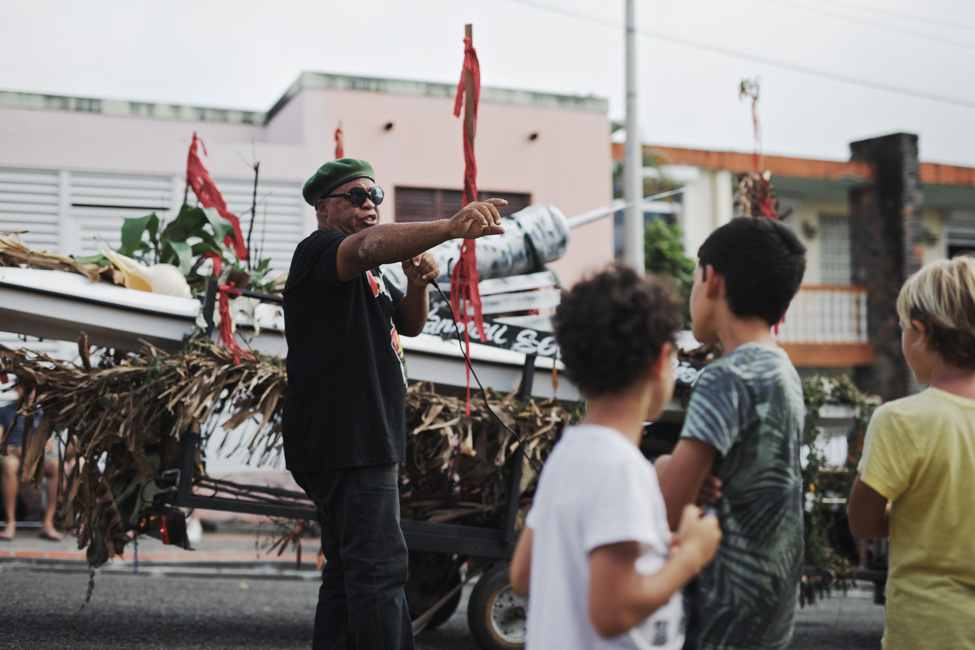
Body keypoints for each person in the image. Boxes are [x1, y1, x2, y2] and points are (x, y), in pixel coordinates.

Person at [282, 158, 506, 650]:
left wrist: (421, 283)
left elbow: (409, 326)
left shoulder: (369, 275)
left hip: (355, 439)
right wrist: (449, 228)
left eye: (375, 196)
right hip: (348, 439)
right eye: (356, 197)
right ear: (323, 208)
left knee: (348, 572)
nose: (370, 206)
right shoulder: (320, 251)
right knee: (380, 571)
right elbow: (367, 245)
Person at [509, 265, 722, 650]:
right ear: (661, 361)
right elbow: (613, 614)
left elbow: (524, 575)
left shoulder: (570, 453)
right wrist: (692, 554)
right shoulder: (622, 469)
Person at [654, 216, 807, 650]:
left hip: (718, 616)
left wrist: (664, 464)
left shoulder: (727, 377)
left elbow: (669, 510)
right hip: (770, 613)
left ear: (713, 279)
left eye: (695, 278)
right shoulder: (783, 370)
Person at [848, 254, 975, 650]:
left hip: (928, 630)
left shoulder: (901, 420)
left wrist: (920, 513)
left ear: (920, 332)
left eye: (902, 328)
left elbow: (863, 522)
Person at [0, 381, 64, 542]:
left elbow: (49, 444)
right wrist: (15, 450)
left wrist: (36, 451)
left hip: (37, 454)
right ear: (16, 388)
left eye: (33, 389)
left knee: (57, 466)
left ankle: (48, 523)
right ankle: (10, 522)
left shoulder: (43, 412)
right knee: (9, 464)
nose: (30, 392)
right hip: (12, 452)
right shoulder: (5, 411)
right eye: (25, 387)